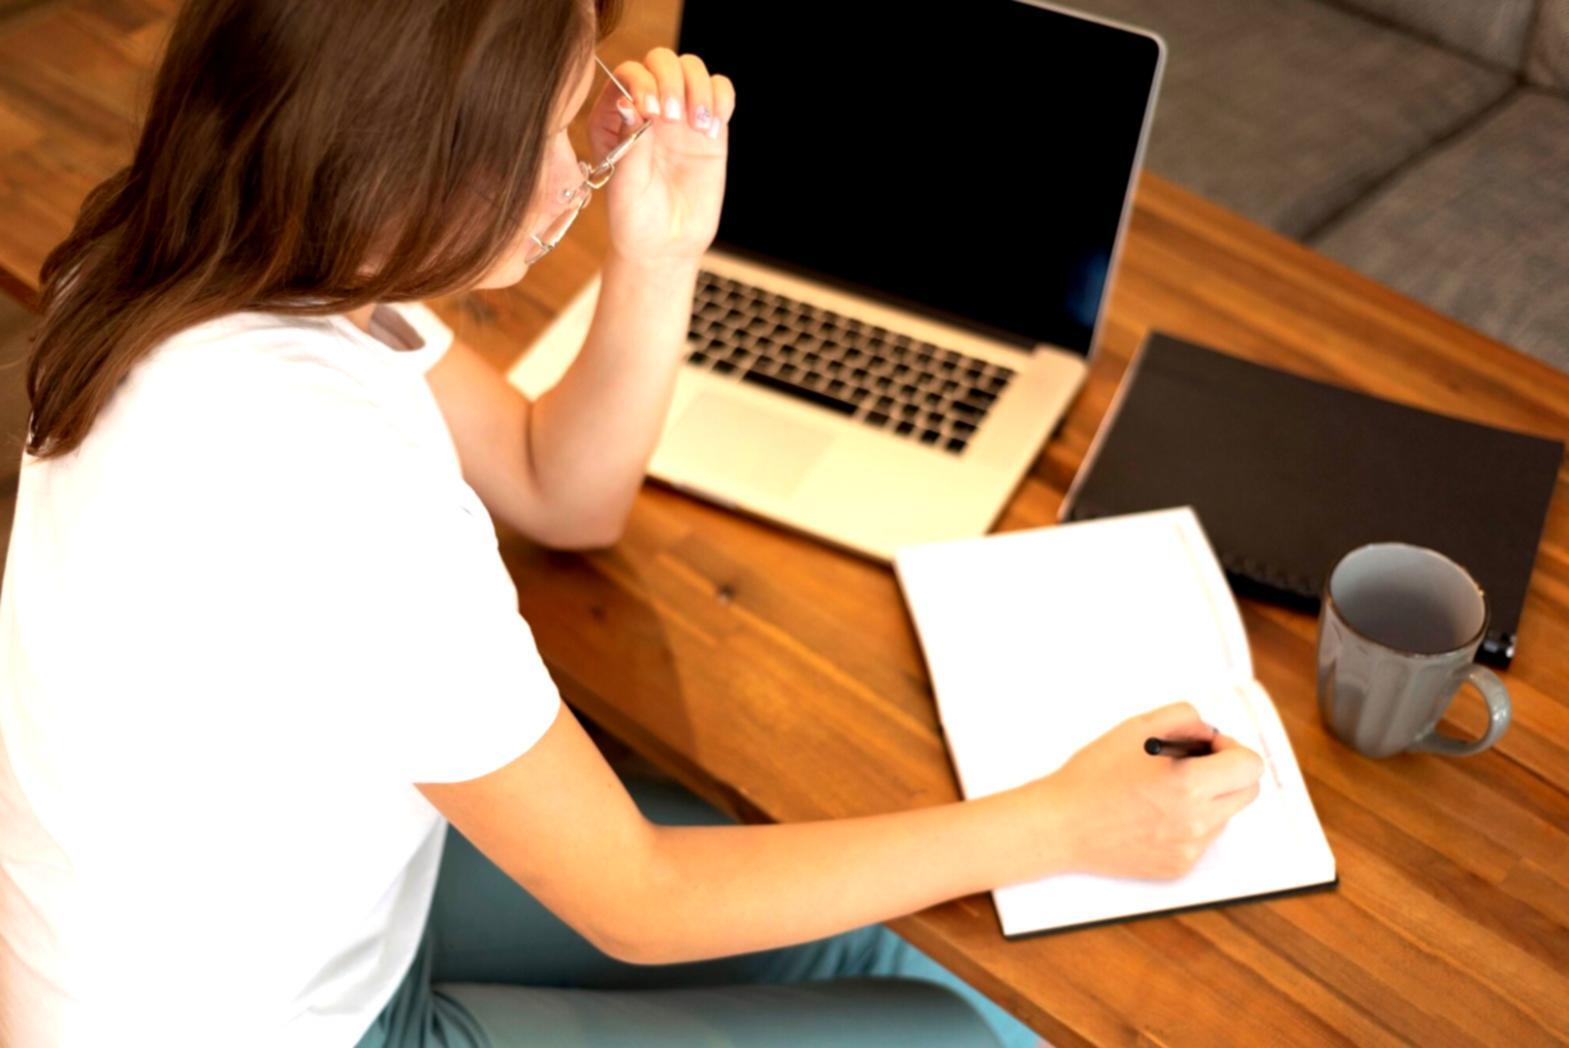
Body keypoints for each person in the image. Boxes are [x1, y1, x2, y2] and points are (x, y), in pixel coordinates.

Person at [0, 0, 1266, 1045]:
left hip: (300, 913)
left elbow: (564, 491)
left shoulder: (210, 251)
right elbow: (639, 903)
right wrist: (1068, 818)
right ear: (408, 154)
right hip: (276, 1022)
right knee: (952, 1025)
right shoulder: (331, 482)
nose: (586, 153)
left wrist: (656, 251)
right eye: (556, 124)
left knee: (894, 938)